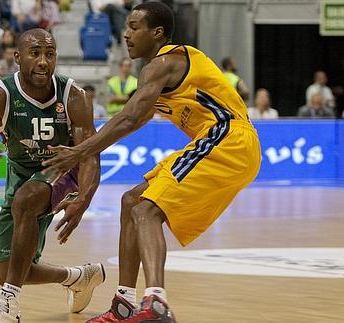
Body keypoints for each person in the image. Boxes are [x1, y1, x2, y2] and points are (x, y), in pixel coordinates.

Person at [42, 2, 262, 322]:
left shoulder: (166, 62)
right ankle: (124, 303)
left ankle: (156, 302)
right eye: (127, 27)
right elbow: (134, 119)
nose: (126, 34)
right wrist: (86, 184)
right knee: (131, 201)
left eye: (134, 27)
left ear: (156, 33)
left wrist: (81, 151)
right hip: (226, 142)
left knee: (146, 209)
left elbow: (129, 117)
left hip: (229, 138)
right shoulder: (156, 74)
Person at [0, 28, 105, 323]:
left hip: (64, 171)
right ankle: (79, 277)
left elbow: (89, 153)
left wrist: (84, 198)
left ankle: (7, 306)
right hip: (21, 174)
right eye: (35, 54)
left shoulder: (74, 95)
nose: (44, 62)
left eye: (50, 54)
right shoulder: (0, 94)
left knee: (26, 199)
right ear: (18, 57)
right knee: (9, 268)